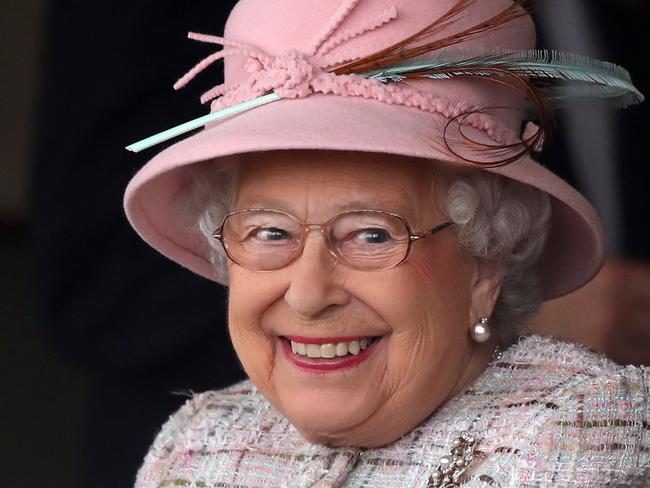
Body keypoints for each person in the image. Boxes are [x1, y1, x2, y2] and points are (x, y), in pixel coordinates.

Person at [123, 0, 648, 486]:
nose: (308, 294)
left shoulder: (572, 433)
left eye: (371, 234)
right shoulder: (199, 442)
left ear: (485, 263)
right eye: (270, 233)